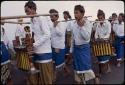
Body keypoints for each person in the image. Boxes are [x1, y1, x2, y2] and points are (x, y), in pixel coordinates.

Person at [24, 1, 53, 84]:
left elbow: (47, 34)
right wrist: (31, 41)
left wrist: (34, 44)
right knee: (38, 79)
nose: (26, 13)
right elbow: (36, 35)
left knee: (46, 80)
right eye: (25, 11)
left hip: (44, 53)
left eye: (27, 11)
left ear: (33, 9)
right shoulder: (31, 20)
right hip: (36, 53)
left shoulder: (41, 18)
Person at [69, 5, 95, 84]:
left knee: (86, 67)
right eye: (74, 13)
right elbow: (73, 38)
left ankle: (94, 78)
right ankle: (80, 81)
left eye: (77, 13)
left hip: (84, 49)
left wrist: (81, 27)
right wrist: (71, 49)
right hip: (76, 49)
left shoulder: (87, 23)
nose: (75, 15)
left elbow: (87, 37)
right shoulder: (73, 24)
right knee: (77, 67)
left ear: (82, 13)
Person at [49, 9, 70, 82]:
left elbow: (61, 34)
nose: (51, 18)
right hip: (53, 46)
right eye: (50, 16)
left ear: (57, 17)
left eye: (52, 16)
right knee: (57, 62)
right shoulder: (51, 25)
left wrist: (56, 26)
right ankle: (67, 71)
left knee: (57, 63)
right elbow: (51, 35)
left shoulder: (61, 24)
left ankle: (54, 76)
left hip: (59, 47)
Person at [94, 9, 112, 74]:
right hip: (99, 43)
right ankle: (103, 70)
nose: (100, 19)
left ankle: (103, 70)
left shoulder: (108, 23)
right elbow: (96, 33)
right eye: (99, 18)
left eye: (101, 18)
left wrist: (103, 39)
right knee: (100, 57)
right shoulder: (98, 24)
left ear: (104, 17)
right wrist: (96, 38)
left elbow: (108, 33)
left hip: (105, 42)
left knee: (105, 57)